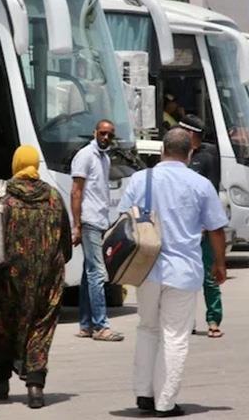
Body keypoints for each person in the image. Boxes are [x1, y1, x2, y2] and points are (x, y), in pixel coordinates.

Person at [119, 128, 229, 417]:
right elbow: (216, 229)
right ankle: (165, 402)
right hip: (183, 271)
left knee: (147, 328)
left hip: (144, 268)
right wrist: (219, 264)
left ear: (161, 150)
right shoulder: (200, 184)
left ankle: (144, 393)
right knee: (175, 335)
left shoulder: (139, 179)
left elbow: (122, 220)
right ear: (190, 152)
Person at [0, 145, 72, 409]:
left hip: (6, 278)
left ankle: (1, 380)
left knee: (3, 323)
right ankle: (35, 386)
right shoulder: (53, 196)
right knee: (41, 327)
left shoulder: (0, 193)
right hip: (46, 279)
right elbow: (66, 243)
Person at [70, 119, 123, 342]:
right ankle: (101, 325)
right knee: (98, 273)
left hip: (100, 220)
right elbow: (76, 191)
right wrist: (76, 224)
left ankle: (85, 324)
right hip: (89, 220)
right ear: (94, 133)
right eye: (102, 133)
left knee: (89, 272)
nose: (105, 138)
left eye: (110, 135)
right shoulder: (85, 156)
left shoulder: (105, 158)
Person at [179, 115, 224, 339]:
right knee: (183, 278)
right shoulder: (176, 156)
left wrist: (208, 223)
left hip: (202, 228)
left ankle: (214, 318)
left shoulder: (207, 157)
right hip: (180, 227)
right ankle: (185, 320)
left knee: (208, 275)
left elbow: (212, 191)